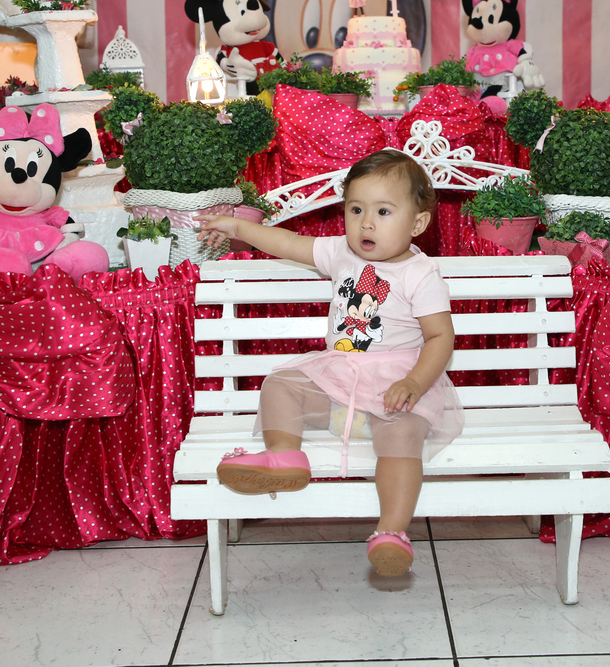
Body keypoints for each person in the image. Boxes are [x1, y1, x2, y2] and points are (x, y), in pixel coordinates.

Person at [194, 150, 462, 577]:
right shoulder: (341, 253)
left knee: (403, 436)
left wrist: (415, 383)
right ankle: (284, 456)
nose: (366, 223)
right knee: (281, 383)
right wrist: (238, 227)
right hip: (338, 383)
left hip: (394, 389)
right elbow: (287, 243)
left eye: (383, 212)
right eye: (356, 210)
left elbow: (440, 337)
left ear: (418, 223)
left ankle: (391, 532)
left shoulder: (420, 274)